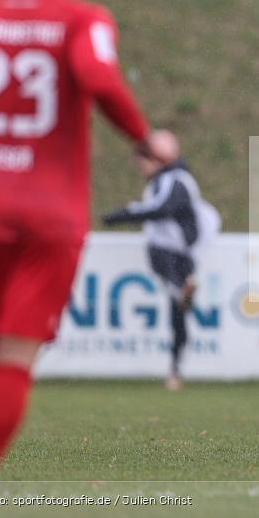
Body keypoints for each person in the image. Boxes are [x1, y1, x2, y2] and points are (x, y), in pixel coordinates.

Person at [0, 0, 155, 513]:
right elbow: (97, 76)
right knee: (15, 364)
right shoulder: (82, 18)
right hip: (48, 219)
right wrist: (143, 138)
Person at [102, 130, 220, 391]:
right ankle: (175, 371)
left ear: (156, 159)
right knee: (177, 314)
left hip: (174, 250)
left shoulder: (174, 179)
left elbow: (160, 208)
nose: (140, 167)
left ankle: (179, 290)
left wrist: (120, 216)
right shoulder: (172, 179)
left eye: (142, 161)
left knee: (157, 259)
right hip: (183, 254)